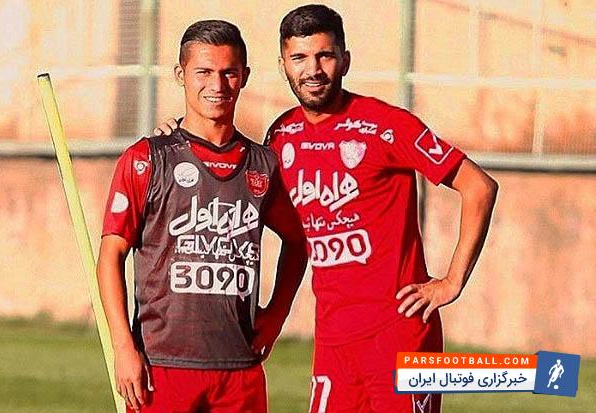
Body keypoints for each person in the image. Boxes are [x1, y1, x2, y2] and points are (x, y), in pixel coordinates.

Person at [156, 5, 498, 413]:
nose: (313, 70)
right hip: (333, 342)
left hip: (399, 334)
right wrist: (177, 141)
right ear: (283, 65)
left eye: (325, 56)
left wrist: (452, 282)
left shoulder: (386, 125)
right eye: (299, 58)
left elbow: (479, 187)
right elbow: (237, 186)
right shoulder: (281, 135)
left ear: (345, 60)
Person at [97, 19, 308, 413]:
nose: (218, 85)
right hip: (161, 367)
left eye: (229, 72)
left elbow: (298, 241)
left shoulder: (264, 165)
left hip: (239, 370)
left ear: (244, 76)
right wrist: (123, 347)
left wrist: (276, 314)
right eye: (204, 72)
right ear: (181, 75)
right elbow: (111, 255)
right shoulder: (147, 159)